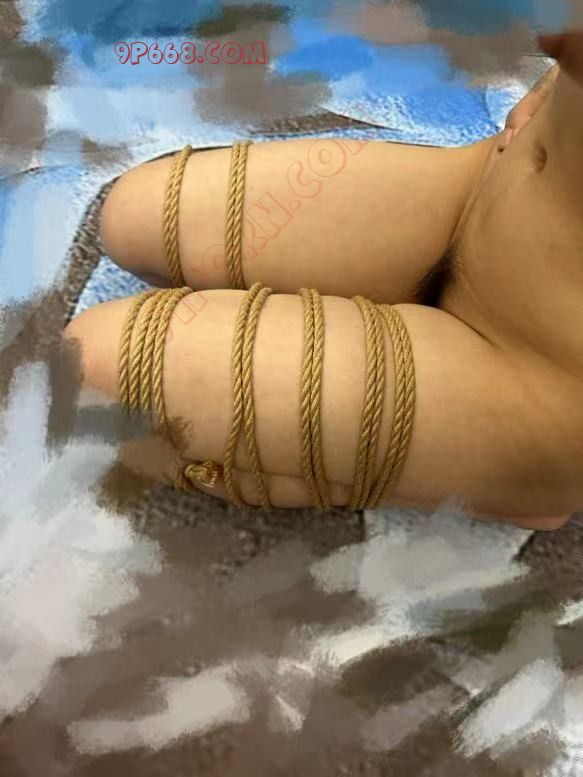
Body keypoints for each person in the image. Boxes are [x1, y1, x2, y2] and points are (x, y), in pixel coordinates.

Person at [65, 33, 583, 530]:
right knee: (133, 217)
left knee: (97, 366)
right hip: (484, 186)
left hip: (542, 370)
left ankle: (523, 483)